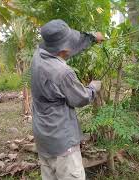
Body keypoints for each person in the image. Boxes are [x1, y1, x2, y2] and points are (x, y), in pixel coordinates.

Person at [31, 19, 105, 180]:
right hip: (62, 140)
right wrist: (93, 87)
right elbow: (81, 98)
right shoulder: (63, 72)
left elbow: (67, 48)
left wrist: (91, 38)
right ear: (64, 49)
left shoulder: (38, 55)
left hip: (43, 136)